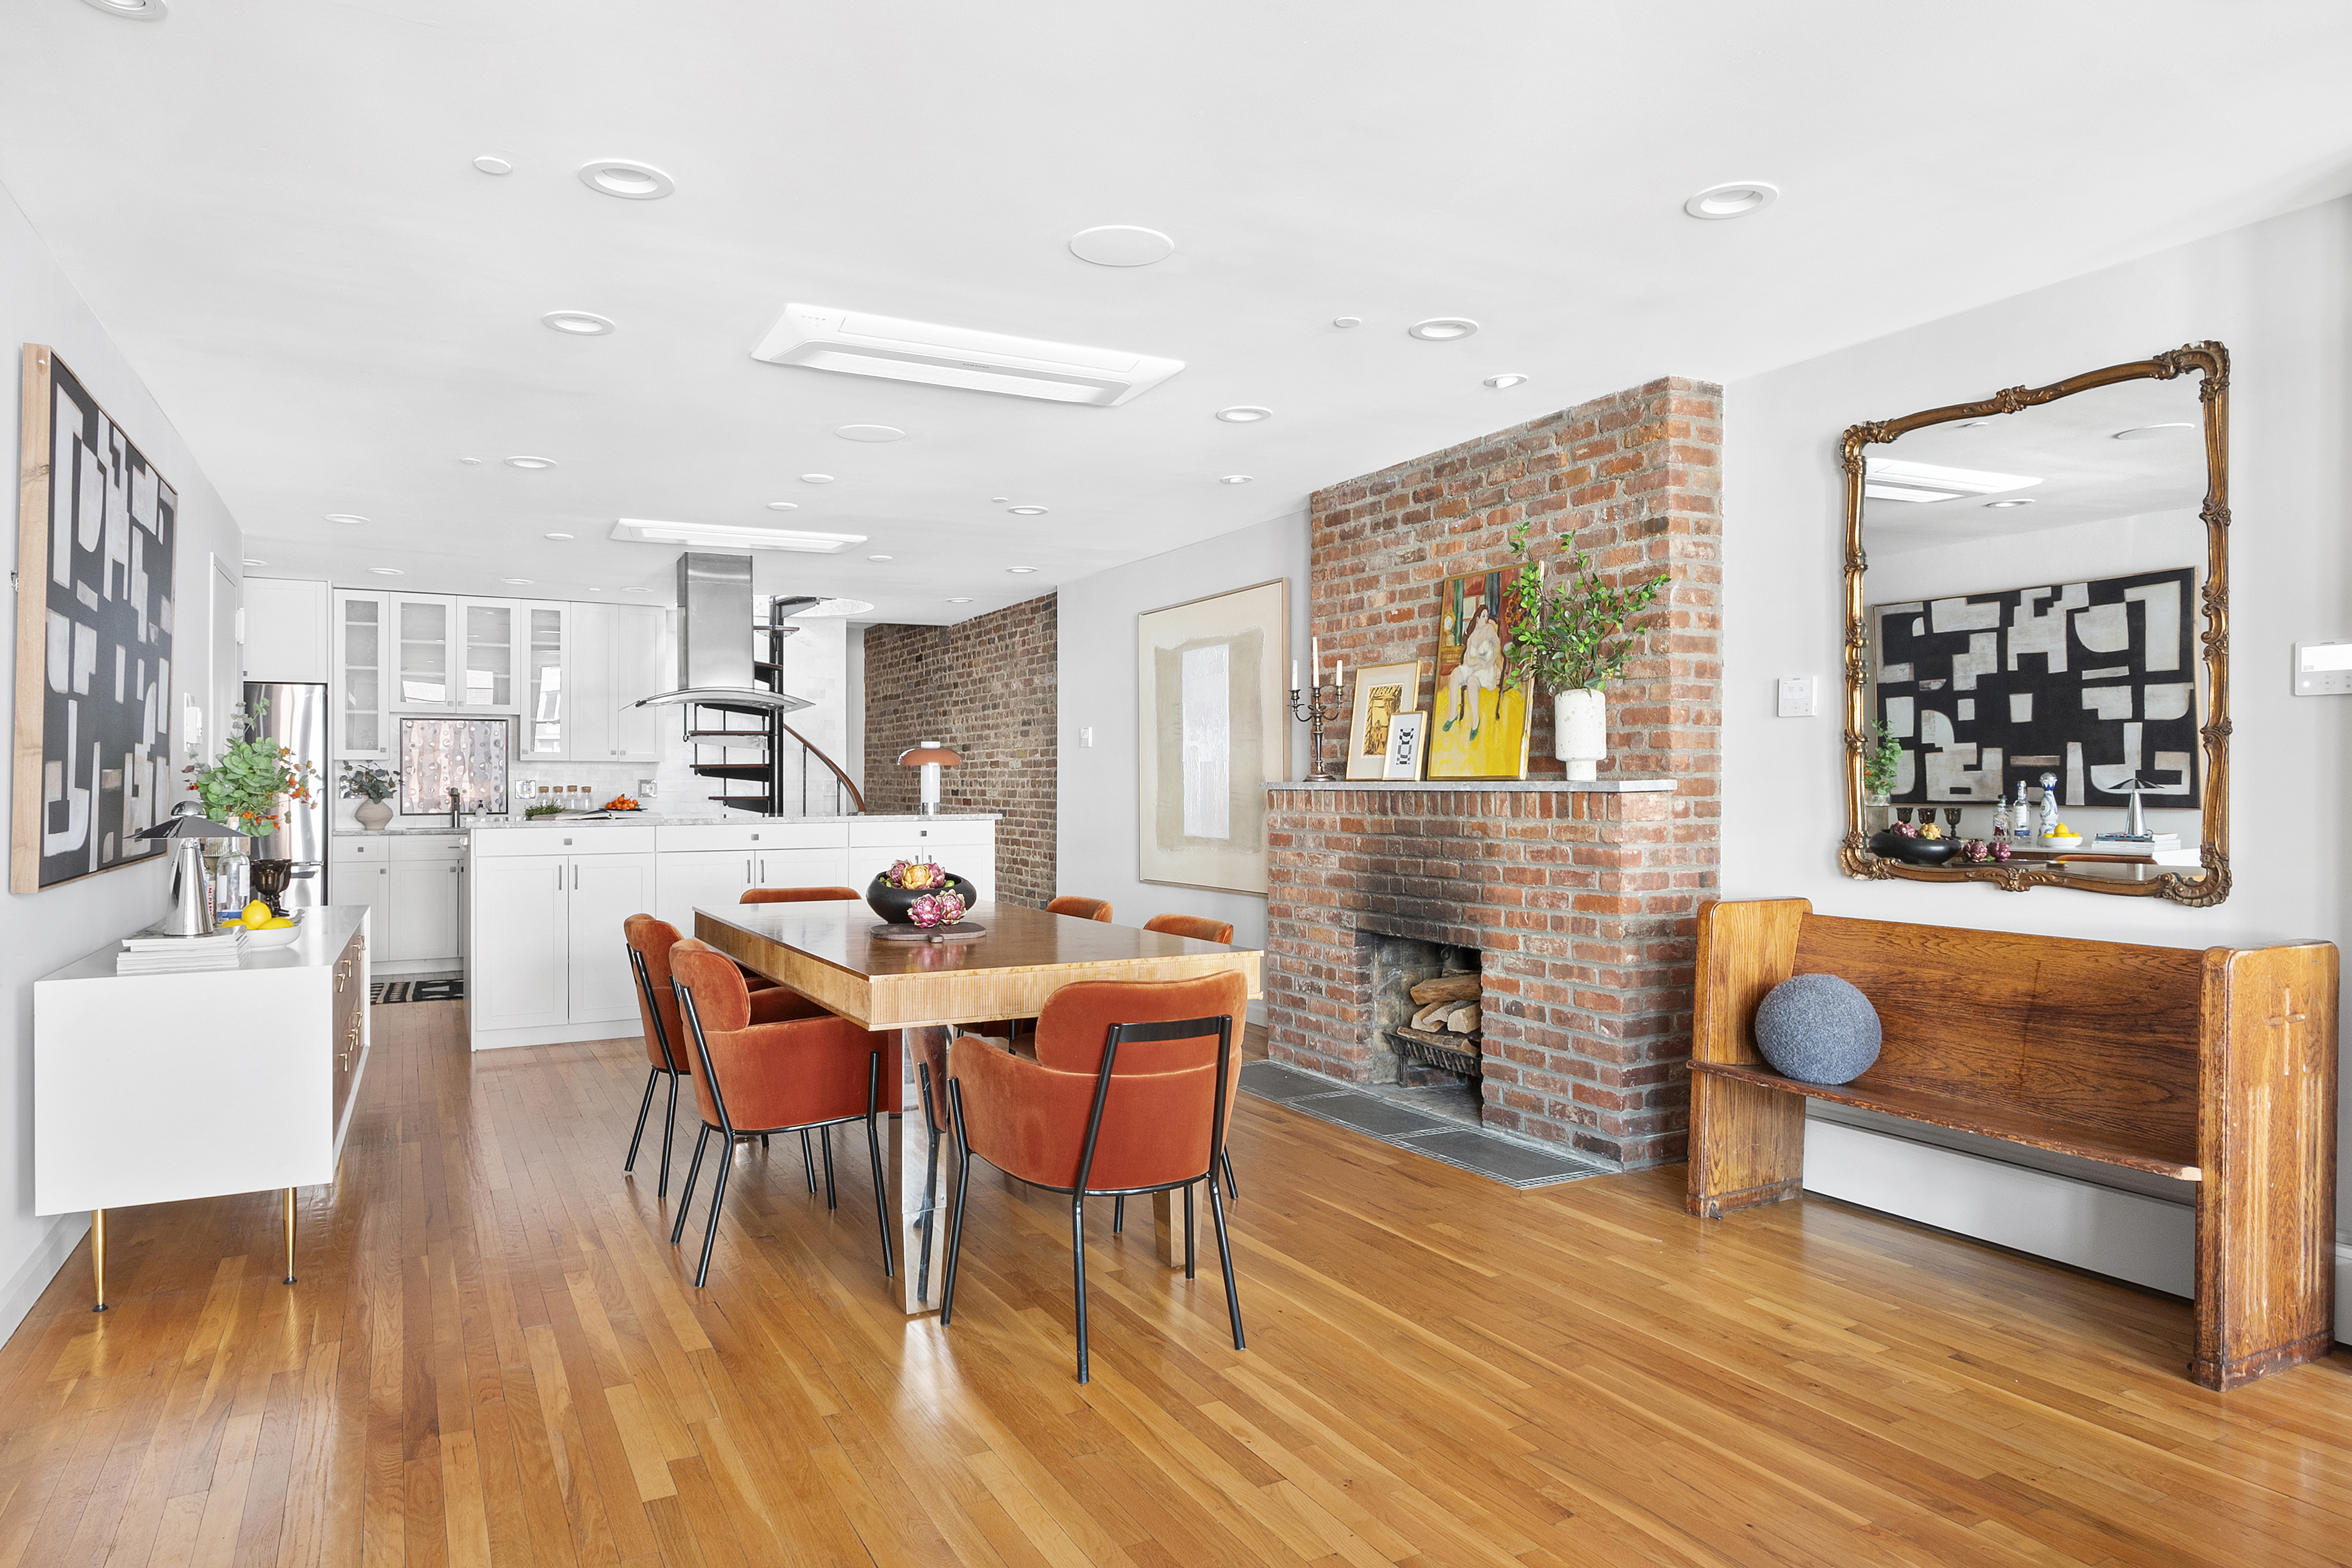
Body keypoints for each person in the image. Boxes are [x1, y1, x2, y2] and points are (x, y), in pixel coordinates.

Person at [1442, 600, 1504, 739]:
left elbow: (1497, 649)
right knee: (1456, 674)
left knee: (1473, 681)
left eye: (1487, 617)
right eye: (1483, 616)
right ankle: (1452, 714)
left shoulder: (1489, 630)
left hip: (1487, 668)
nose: (1486, 619)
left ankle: (1475, 721)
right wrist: (1474, 663)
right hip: (1473, 666)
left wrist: (1489, 663)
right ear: (1477, 618)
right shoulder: (1472, 635)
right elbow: (1468, 660)